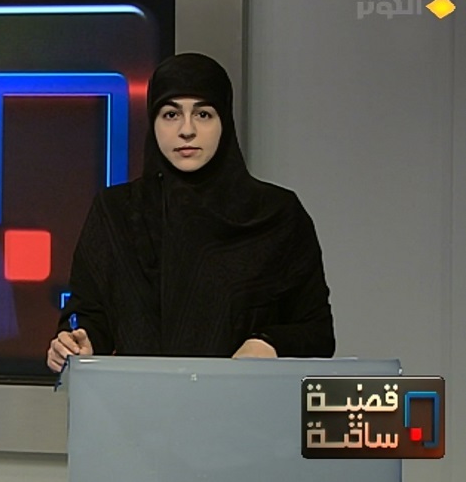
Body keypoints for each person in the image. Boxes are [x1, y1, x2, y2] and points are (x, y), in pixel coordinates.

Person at [46, 53, 335, 373]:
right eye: (171, 114)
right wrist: (76, 343)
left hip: (243, 402)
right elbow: (87, 316)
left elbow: (317, 332)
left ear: (225, 121)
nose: (187, 130)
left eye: (203, 114)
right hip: (137, 401)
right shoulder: (116, 213)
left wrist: (267, 343)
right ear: (153, 122)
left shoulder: (277, 215)